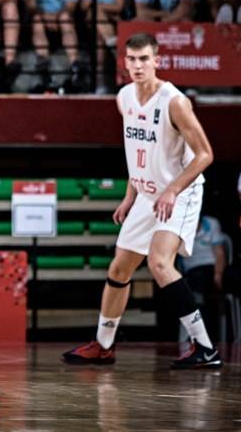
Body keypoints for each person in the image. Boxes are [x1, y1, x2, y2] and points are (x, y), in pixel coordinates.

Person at [63, 32, 220, 369]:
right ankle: (103, 346)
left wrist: (172, 190)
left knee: (160, 263)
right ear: (125, 62)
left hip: (182, 190)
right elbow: (139, 154)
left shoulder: (174, 102)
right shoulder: (124, 98)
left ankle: (205, 347)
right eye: (132, 59)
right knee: (120, 267)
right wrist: (129, 196)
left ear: (157, 60)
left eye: (144, 59)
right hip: (148, 192)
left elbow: (205, 154)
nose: (137, 65)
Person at [178, 214, 228, 345]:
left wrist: (218, 275)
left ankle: (203, 335)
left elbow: (220, 253)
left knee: (202, 285)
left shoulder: (211, 224)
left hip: (210, 268)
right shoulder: (179, 226)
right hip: (190, 271)